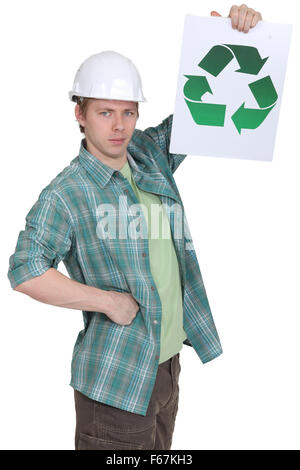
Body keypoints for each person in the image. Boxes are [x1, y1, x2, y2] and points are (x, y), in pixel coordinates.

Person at [7, 4, 262, 450]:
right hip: (116, 383)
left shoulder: (148, 153)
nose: (120, 125)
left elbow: (204, 111)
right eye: (105, 113)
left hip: (166, 367)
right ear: (80, 115)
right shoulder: (68, 193)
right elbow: (25, 270)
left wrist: (233, 38)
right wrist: (105, 300)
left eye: (128, 111)